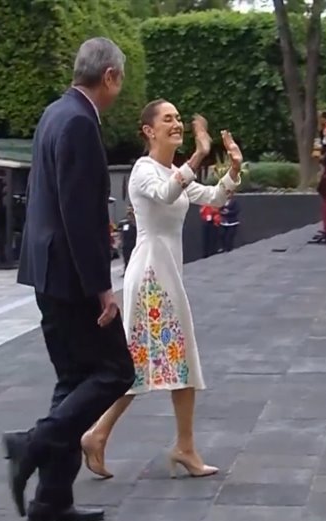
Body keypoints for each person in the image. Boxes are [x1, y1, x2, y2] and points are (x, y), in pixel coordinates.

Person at [2, 38, 135, 521]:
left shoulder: (54, 113)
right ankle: (32, 444)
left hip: (46, 272)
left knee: (74, 378)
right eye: (120, 81)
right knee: (117, 371)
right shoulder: (79, 124)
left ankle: (51, 499)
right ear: (110, 77)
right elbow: (79, 216)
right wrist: (102, 285)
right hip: (72, 276)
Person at [79, 101, 242, 480]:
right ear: (148, 131)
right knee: (167, 358)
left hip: (165, 272)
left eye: (179, 119)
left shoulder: (171, 171)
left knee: (145, 364)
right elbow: (168, 193)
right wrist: (200, 154)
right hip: (152, 274)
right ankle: (173, 444)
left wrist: (233, 168)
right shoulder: (142, 171)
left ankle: (101, 434)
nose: (177, 124)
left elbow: (214, 197)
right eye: (168, 119)